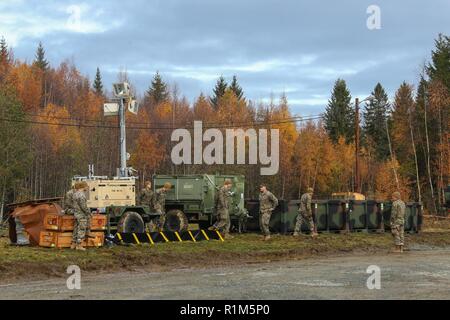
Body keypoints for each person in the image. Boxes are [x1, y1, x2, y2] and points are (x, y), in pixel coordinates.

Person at [70, 181, 92, 251]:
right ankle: (79, 245)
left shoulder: (75, 194)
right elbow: (83, 206)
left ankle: (73, 244)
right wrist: (88, 212)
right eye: (86, 186)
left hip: (76, 214)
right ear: (83, 187)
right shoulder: (81, 195)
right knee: (81, 229)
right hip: (81, 215)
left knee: (76, 229)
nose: (86, 187)